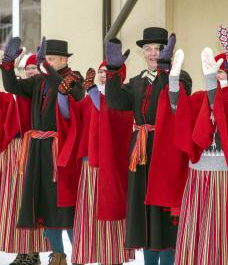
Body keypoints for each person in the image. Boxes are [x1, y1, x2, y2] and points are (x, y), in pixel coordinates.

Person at [104, 27, 192, 265]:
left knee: (164, 209)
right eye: (149, 49)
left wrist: (165, 69)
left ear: (169, 53)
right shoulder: (137, 81)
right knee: (144, 209)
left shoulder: (180, 77)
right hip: (141, 151)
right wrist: (113, 72)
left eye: (159, 49)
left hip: (166, 150)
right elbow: (115, 102)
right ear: (143, 53)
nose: (153, 54)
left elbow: (172, 100)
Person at [0, 37, 84, 265]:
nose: (48, 62)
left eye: (52, 59)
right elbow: (12, 87)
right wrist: (8, 65)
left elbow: (78, 96)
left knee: (65, 206)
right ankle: (58, 256)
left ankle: (79, 256)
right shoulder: (38, 81)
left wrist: (46, 69)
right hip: (37, 149)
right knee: (45, 205)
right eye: (46, 59)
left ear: (64, 59)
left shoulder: (73, 78)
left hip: (60, 149)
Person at [57, 60, 135, 264]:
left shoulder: (124, 97)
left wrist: (92, 90)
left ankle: (113, 257)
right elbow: (68, 115)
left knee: (110, 213)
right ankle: (92, 255)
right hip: (89, 165)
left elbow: (109, 112)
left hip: (112, 169)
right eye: (101, 71)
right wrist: (62, 94)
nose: (103, 75)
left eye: (108, 72)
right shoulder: (90, 99)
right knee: (89, 216)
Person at [0, 50, 51, 265]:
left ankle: (33, 252)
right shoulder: (16, 91)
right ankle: (21, 250)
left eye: (34, 67)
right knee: (13, 202)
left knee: (30, 200)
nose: (30, 71)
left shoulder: (42, 91)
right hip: (12, 152)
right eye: (27, 68)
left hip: (32, 149)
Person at [173, 25, 228, 264]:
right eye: (216, 72)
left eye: (221, 72)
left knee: (219, 232)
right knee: (198, 232)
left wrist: (215, 90)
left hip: (224, 176)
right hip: (199, 175)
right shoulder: (198, 99)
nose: (219, 75)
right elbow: (179, 115)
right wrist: (173, 83)